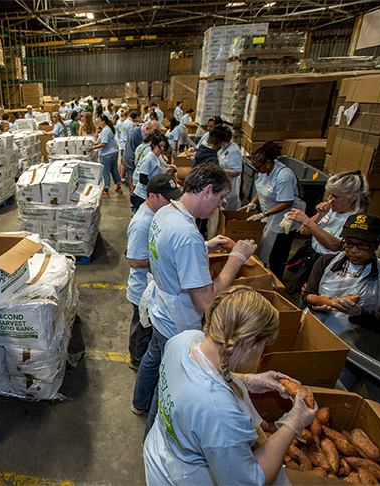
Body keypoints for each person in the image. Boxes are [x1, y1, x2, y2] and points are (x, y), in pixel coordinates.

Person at [143, 286, 318, 486]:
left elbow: (198, 377)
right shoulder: (220, 413)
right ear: (250, 342)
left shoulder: (183, 340)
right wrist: (294, 423)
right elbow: (250, 480)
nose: (262, 351)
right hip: (179, 478)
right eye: (263, 345)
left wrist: (249, 380)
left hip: (158, 451)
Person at [132, 163, 257, 434]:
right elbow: (207, 302)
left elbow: (170, 251)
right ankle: (152, 435)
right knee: (168, 382)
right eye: (221, 197)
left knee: (153, 357)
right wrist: (236, 259)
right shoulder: (187, 234)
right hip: (176, 320)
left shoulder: (166, 212)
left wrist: (203, 246)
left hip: (160, 310)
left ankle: (137, 403)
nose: (221, 205)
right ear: (208, 190)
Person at [304, 213, 380, 337]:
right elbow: (308, 294)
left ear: (376, 244)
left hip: (354, 346)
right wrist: (314, 305)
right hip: (312, 332)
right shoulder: (326, 263)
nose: (354, 250)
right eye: (349, 243)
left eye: (362, 245)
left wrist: (360, 314)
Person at [126, 175, 181, 371]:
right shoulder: (143, 223)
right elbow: (133, 260)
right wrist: (164, 258)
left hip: (151, 284)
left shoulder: (156, 214)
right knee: (141, 328)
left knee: (146, 326)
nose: (171, 202)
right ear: (152, 196)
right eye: (167, 198)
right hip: (142, 287)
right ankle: (137, 360)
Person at [285, 171, 370, 294]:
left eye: (335, 196)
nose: (330, 200)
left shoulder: (355, 220)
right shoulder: (332, 211)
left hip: (329, 269)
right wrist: (320, 215)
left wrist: (308, 221)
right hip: (313, 262)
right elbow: (304, 231)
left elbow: (335, 246)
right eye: (329, 195)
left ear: (353, 197)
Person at [240, 141, 301, 280]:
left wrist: (264, 214)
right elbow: (261, 188)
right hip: (270, 215)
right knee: (264, 247)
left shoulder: (284, 176)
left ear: (268, 162)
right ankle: (263, 275)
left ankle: (275, 281)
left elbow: (287, 202)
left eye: (258, 167)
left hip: (283, 219)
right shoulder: (264, 171)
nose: (256, 170)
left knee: (276, 254)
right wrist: (252, 203)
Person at [131, 132, 175, 212]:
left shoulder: (157, 157)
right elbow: (142, 178)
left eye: (164, 147)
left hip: (150, 195)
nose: (162, 149)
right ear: (154, 145)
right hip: (142, 196)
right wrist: (157, 185)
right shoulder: (149, 159)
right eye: (160, 146)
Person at [85, 114, 121, 196]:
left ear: (103, 121)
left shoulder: (105, 131)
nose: (99, 123)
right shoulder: (109, 128)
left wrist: (93, 147)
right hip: (114, 152)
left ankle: (105, 189)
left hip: (107, 154)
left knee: (106, 171)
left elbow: (104, 143)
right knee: (114, 170)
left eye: (99, 122)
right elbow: (101, 141)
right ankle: (119, 187)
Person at [124, 118, 158, 200]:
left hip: (140, 168)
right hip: (132, 165)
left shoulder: (148, 143)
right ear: (147, 129)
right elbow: (129, 153)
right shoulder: (134, 134)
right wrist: (136, 168)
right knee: (134, 189)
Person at [217, 126, 242, 210]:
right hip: (221, 183)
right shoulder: (223, 148)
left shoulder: (234, 151)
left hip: (230, 187)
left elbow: (237, 171)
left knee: (227, 209)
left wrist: (221, 171)